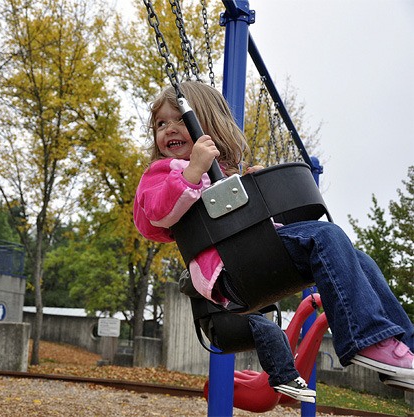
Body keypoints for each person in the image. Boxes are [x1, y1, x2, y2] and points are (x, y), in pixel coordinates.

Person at [133, 81, 414, 398]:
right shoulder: (161, 172)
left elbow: (245, 219)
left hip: (260, 257)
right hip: (231, 272)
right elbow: (156, 217)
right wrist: (193, 172)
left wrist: (256, 189)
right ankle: (366, 339)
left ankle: (404, 347)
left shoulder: (221, 173)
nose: (168, 129)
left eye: (179, 120)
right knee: (327, 235)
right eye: (160, 124)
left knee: (359, 260)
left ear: (207, 123)